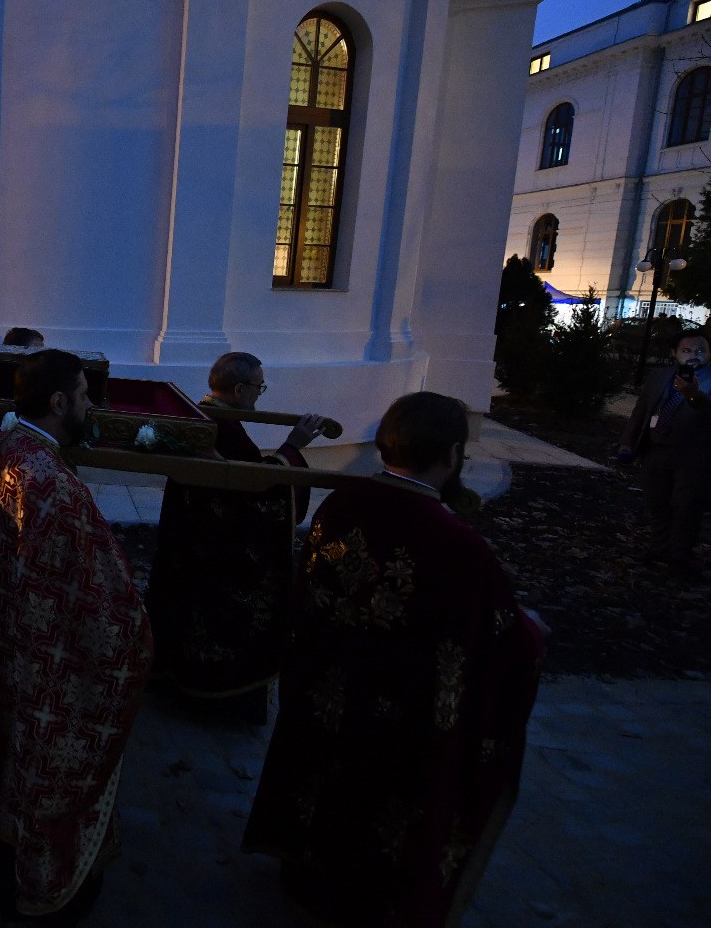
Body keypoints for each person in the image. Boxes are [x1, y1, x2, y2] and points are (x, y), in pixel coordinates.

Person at [242, 392, 546, 927]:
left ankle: (309, 871)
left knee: (327, 785)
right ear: (452, 454)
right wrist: (531, 634)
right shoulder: (456, 544)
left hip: (328, 696)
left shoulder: (341, 505)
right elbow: (494, 636)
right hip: (398, 718)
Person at [0, 349, 151, 923]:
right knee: (38, 757)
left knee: (2, 746)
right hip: (40, 654)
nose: (92, 404)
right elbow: (101, 598)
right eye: (86, 395)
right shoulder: (51, 484)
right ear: (60, 402)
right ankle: (40, 879)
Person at [145, 351, 325, 723]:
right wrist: (293, 448)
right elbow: (255, 489)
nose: (261, 394)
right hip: (219, 552)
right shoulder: (221, 426)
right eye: (259, 387)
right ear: (240, 389)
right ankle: (213, 697)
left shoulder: (200, 415)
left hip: (191, 543)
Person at [619, 329, 711, 578]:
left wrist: (693, 396)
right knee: (657, 502)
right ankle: (660, 548)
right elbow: (641, 412)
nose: (695, 356)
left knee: (686, 507)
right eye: (688, 350)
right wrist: (627, 443)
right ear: (674, 353)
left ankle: (681, 556)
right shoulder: (660, 377)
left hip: (694, 456)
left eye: (701, 350)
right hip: (656, 451)